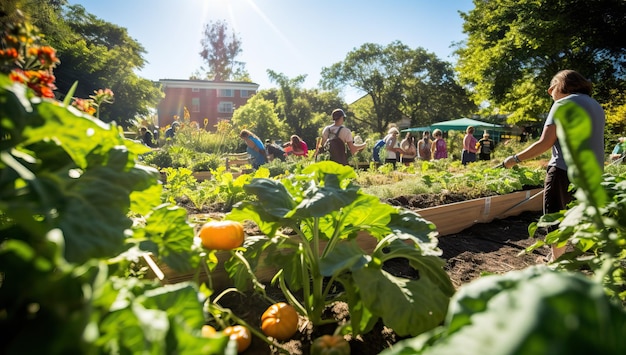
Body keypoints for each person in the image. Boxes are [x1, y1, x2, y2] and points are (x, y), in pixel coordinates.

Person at [503, 70, 605, 263]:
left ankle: (555, 263)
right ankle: (563, 255)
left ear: (561, 85)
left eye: (552, 86)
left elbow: (545, 142)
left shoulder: (562, 103)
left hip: (565, 170)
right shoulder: (596, 106)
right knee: (575, 214)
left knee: (556, 216)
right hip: (592, 172)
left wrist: (514, 159)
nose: (549, 91)